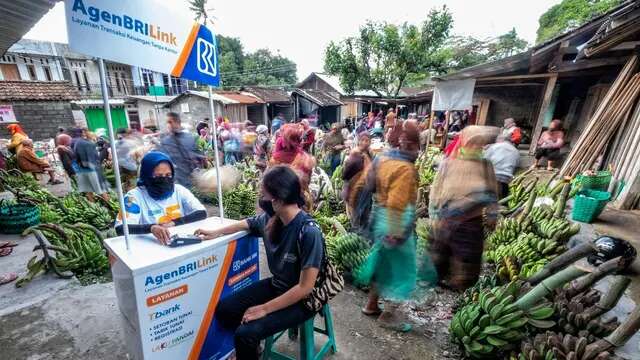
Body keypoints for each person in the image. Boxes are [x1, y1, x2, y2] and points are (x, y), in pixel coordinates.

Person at [194, 166, 325, 360]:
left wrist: (264, 309)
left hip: (302, 300)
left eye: (263, 195)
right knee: (225, 309)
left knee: (245, 334)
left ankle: (248, 345)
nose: (260, 200)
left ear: (278, 200)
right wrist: (215, 232)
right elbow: (246, 223)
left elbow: (305, 288)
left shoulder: (308, 232)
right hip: (278, 285)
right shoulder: (272, 219)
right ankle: (252, 350)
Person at [357, 120, 422, 331]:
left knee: (382, 263)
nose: (418, 150)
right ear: (410, 144)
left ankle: (371, 304)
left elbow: (368, 182)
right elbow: (397, 203)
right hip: (396, 220)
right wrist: (397, 233)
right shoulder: (405, 169)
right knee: (402, 270)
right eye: (417, 144)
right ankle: (389, 314)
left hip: (380, 215)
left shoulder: (383, 157)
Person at [429, 126, 499, 291]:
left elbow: (493, 192)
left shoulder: (485, 165)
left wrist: (492, 214)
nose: (475, 147)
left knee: (468, 257)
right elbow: (436, 188)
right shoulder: (449, 163)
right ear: (463, 143)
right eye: (472, 143)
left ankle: (462, 288)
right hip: (447, 218)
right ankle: (437, 283)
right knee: (440, 255)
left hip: (471, 221)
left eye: (479, 144)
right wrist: (434, 213)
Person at [115, 151, 206, 242]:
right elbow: (120, 228)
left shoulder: (179, 190)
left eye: (168, 175)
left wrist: (174, 223)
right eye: (158, 176)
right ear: (146, 175)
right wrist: (151, 228)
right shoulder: (133, 197)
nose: (164, 179)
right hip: (150, 247)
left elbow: (201, 212)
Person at [158, 112, 203, 188]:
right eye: (168, 123)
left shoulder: (190, 138)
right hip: (175, 182)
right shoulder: (165, 142)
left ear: (178, 122)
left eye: (170, 122)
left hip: (191, 179)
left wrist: (200, 158)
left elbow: (196, 153)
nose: (169, 125)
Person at [270, 123, 316, 191]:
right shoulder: (306, 159)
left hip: (282, 197)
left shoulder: (275, 159)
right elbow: (308, 181)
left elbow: (271, 183)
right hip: (301, 196)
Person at [342, 131, 372, 232]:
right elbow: (346, 174)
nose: (365, 143)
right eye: (363, 140)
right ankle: (356, 235)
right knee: (356, 215)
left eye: (367, 140)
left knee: (364, 215)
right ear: (359, 141)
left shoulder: (368, 153)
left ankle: (362, 236)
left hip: (365, 190)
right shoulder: (356, 154)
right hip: (355, 190)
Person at [74, 128, 109, 201]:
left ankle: (93, 205)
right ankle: (111, 207)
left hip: (81, 170)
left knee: (88, 191)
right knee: (101, 190)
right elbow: (93, 159)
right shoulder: (89, 144)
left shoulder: (77, 143)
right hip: (91, 170)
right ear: (86, 133)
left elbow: (76, 157)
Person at [485, 134, 520, 199]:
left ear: (500, 139)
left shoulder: (494, 147)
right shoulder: (515, 151)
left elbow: (485, 159)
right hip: (506, 179)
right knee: (502, 199)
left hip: (492, 176)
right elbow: (516, 166)